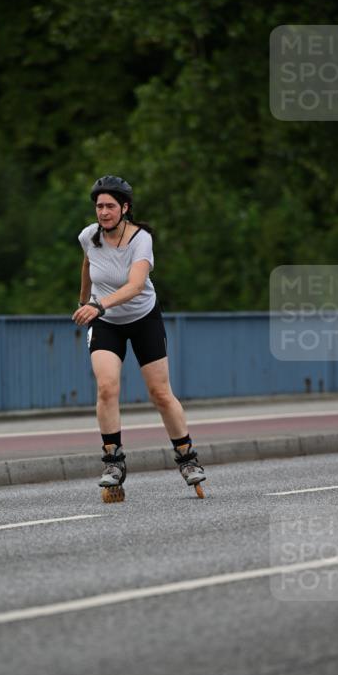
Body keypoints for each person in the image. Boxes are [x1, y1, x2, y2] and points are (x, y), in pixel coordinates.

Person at [72, 175, 206, 500]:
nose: (103, 212)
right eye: (99, 206)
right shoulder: (89, 236)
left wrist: (98, 305)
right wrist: (83, 301)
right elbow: (88, 264)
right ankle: (113, 462)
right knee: (106, 388)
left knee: (160, 393)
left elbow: (134, 286)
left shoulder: (140, 239)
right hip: (106, 322)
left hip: (143, 317)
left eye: (110, 206)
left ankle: (187, 458)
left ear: (125, 208)